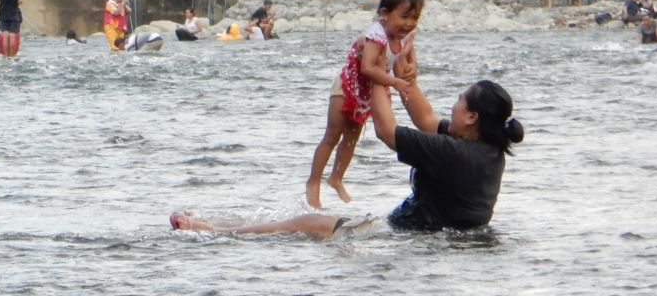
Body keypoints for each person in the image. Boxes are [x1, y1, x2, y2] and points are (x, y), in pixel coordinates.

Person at [172, 77, 525, 237]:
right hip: (423, 229)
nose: (455, 103)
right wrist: (402, 75)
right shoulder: (487, 149)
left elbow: (387, 132)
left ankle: (212, 230)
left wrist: (373, 77)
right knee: (314, 219)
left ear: (472, 116)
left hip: (409, 234)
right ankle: (221, 222)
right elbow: (428, 120)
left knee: (305, 222)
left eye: (460, 100)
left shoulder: (456, 153)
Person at [305, 0, 422, 208]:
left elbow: (408, 57)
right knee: (332, 135)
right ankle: (313, 182)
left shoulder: (404, 35)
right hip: (347, 86)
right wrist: (395, 82)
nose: (409, 23)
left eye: (414, 18)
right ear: (385, 14)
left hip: (366, 93)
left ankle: (336, 178)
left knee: (351, 138)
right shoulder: (376, 35)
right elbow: (367, 68)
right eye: (404, 17)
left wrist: (412, 68)